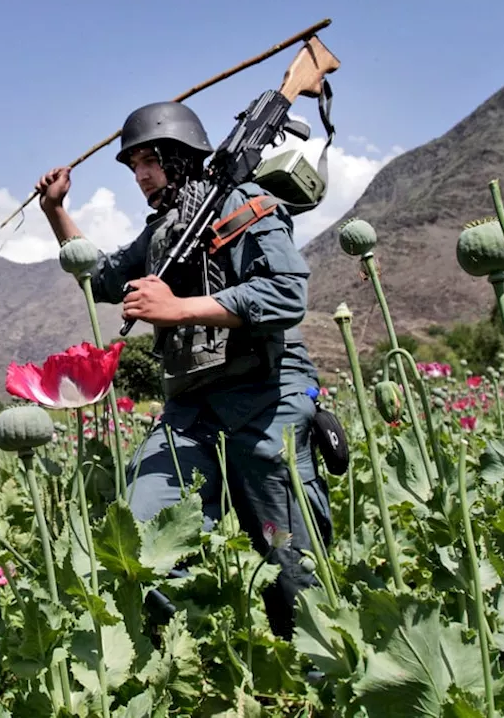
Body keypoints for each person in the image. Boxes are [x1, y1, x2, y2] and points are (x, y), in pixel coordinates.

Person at [34, 100, 331, 640]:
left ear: (181, 155)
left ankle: (309, 677)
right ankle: (194, 657)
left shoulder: (247, 204)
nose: (141, 175)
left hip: (266, 399)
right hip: (191, 409)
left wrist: (178, 308)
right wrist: (56, 212)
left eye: (150, 160)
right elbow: (101, 279)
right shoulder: (164, 233)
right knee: (143, 537)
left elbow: (287, 294)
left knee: (291, 564)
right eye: (133, 166)